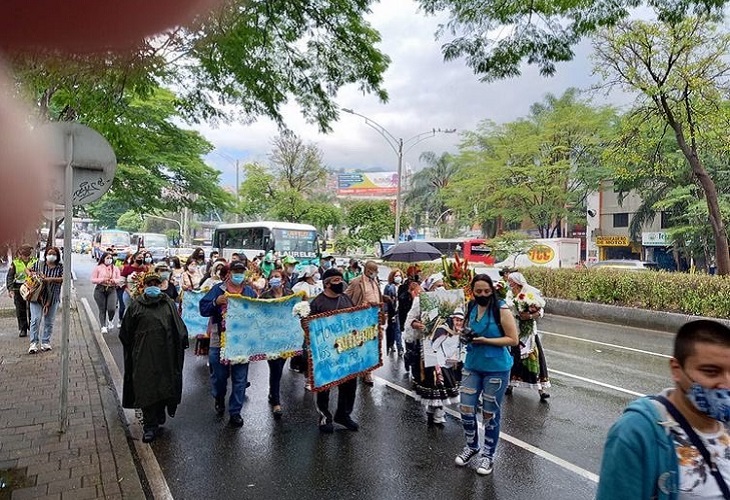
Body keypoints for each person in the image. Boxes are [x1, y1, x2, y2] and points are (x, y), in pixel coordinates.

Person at [597, 320, 730, 499]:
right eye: (711, 372)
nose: (726, 383)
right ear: (677, 369)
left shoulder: (725, 422)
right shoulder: (637, 432)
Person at [454, 274, 518, 476]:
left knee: (490, 413)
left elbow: (513, 339)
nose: (482, 294)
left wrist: (486, 341)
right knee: (465, 408)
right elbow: (465, 330)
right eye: (478, 291)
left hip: (496, 368)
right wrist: (464, 335)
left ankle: (488, 455)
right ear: (472, 291)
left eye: (486, 291)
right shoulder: (471, 306)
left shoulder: (501, 308)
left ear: (492, 290)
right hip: (472, 364)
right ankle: (472, 446)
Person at [119, 272, 189, 443]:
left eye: (155, 283)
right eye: (149, 283)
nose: (153, 286)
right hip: (143, 357)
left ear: (160, 285)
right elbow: (126, 333)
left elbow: (179, 327)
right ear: (144, 286)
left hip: (166, 355)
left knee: (165, 386)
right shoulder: (136, 306)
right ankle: (150, 426)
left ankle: (159, 414)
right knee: (146, 389)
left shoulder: (168, 304)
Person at [199, 260, 257, 427]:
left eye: (241, 271)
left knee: (240, 378)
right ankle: (218, 396)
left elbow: (258, 314)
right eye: (235, 271)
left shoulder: (249, 292)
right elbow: (203, 309)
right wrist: (216, 302)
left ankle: (235, 412)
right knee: (219, 376)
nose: (238, 274)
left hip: (242, 341)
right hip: (220, 337)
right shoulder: (218, 289)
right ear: (229, 273)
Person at [310, 268, 358, 433]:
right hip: (325, 351)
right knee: (325, 384)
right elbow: (310, 329)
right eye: (336, 280)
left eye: (341, 279)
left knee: (350, 383)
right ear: (327, 283)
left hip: (346, 349)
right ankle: (325, 417)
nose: (340, 283)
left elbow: (354, 320)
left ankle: (343, 415)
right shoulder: (317, 303)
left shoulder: (346, 299)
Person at [413, 309, 464, 427]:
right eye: (457, 320)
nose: (458, 322)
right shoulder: (444, 331)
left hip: (449, 364)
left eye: (461, 320)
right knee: (440, 391)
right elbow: (433, 346)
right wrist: (436, 362)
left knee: (438, 392)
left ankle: (432, 411)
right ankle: (438, 417)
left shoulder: (459, 332)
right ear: (452, 319)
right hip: (439, 365)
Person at [505, 272, 550, 400]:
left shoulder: (529, 293)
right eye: (509, 281)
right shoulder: (509, 294)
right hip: (515, 330)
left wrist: (529, 315)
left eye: (511, 281)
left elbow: (540, 311)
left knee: (534, 358)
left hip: (529, 333)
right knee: (515, 358)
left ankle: (541, 390)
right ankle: (510, 385)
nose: (510, 283)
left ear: (517, 282)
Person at [258, 269, 294, 419]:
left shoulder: (290, 294)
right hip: (271, 339)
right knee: (275, 368)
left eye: (277, 277)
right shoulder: (265, 296)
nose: (274, 279)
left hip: (286, 339)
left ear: (283, 280)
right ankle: (276, 403)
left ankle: (273, 393)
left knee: (280, 367)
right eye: (271, 277)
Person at [345, 260, 383, 386]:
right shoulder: (357, 282)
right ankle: (358, 369)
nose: (376, 273)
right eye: (374, 271)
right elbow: (346, 297)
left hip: (374, 318)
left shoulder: (375, 281)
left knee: (372, 345)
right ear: (367, 271)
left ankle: (368, 372)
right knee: (360, 345)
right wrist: (358, 307)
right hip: (360, 318)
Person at [27, 247, 65, 354]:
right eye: (49, 253)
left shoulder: (60, 267)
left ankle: (45, 342)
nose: (51, 256)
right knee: (35, 319)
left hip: (53, 297)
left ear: (57, 256)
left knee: (49, 321)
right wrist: (33, 275)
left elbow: (64, 278)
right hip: (37, 296)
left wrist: (50, 279)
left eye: (54, 254)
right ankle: (33, 343)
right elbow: (28, 270)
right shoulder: (39, 264)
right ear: (46, 254)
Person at [5, 244, 36, 337]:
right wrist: (10, 289)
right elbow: (10, 276)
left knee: (32, 309)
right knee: (20, 309)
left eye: (27, 254)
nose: (25, 256)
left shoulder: (34, 262)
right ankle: (23, 329)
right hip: (18, 288)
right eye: (23, 254)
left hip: (32, 288)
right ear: (20, 253)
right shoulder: (15, 263)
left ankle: (32, 327)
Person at [91, 251, 122, 333]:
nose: (109, 260)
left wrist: (114, 281)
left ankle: (110, 320)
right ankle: (103, 326)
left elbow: (119, 279)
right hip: (100, 289)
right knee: (102, 309)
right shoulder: (98, 268)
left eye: (111, 258)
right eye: (107, 258)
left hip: (112, 289)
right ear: (103, 258)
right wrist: (102, 280)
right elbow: (93, 279)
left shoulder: (115, 268)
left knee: (111, 308)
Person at [383, 269, 404, 356]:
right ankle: (396, 346)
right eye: (396, 276)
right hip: (393, 311)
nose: (398, 278)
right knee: (394, 329)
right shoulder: (389, 287)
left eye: (399, 276)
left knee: (397, 329)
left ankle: (397, 346)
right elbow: (385, 300)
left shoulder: (403, 287)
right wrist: (385, 311)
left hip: (401, 311)